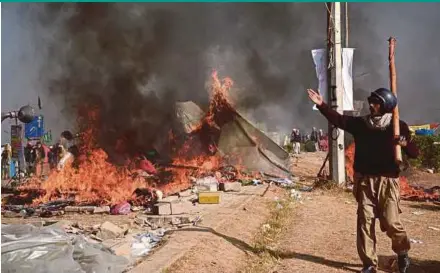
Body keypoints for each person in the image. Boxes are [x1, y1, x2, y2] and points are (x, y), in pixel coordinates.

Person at [307, 87, 419, 273]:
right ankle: (369, 263)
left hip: (388, 182)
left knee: (392, 223)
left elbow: (415, 153)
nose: (371, 105)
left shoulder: (397, 125)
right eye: (371, 102)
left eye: (376, 103)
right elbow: (339, 120)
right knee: (364, 222)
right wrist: (322, 105)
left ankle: (402, 252)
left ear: (386, 106)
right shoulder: (362, 124)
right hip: (366, 182)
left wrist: (404, 143)